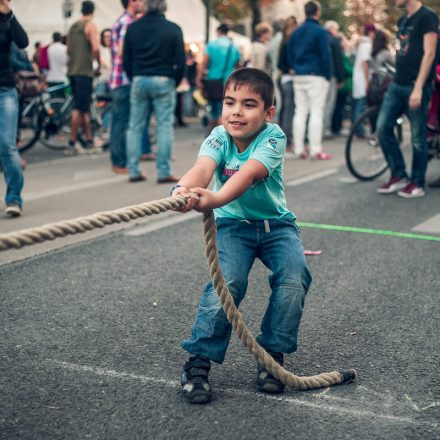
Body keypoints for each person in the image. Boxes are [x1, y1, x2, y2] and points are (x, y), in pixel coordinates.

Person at [172, 68, 312, 404]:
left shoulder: (273, 137)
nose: (236, 111)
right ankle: (198, 362)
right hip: (233, 227)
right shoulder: (219, 137)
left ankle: (271, 357)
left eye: (248, 105)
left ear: (267, 113)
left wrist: (215, 198)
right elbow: (203, 168)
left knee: (295, 276)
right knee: (228, 283)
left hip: (276, 226)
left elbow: (248, 174)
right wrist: (182, 189)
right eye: (230, 102)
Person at [376, 0, 438, 198]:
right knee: (382, 127)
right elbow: (403, 49)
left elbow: (429, 53)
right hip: (397, 84)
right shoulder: (403, 20)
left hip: (416, 85)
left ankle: (417, 183)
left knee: (418, 137)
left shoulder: (427, 16)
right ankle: (399, 175)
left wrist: (419, 87)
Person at [123, 0, 186, 183]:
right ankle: (163, 171)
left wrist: (134, 75)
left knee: (135, 126)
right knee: (164, 126)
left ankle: (134, 170)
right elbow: (181, 61)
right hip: (164, 79)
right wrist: (174, 80)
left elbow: (126, 59)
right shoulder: (173, 29)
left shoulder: (133, 28)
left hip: (139, 79)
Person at [288, 0, 332, 160]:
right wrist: (327, 75)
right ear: (317, 12)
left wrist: (294, 66)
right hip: (316, 74)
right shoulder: (320, 32)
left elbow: (289, 52)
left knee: (300, 111)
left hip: (299, 74)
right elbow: (325, 55)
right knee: (316, 112)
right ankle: (315, 148)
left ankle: (299, 147)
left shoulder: (296, 31)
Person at [109, 0, 145, 175]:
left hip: (120, 80)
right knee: (122, 123)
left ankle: (120, 161)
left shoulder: (122, 20)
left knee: (120, 122)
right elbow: (124, 51)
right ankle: (119, 162)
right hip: (124, 80)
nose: (142, 2)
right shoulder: (127, 22)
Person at [0, 0, 29, 217]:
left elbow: (23, 41)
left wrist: (8, 13)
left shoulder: (6, 20)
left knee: (7, 145)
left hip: (5, 89)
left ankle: (13, 199)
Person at [66, 0, 101, 155]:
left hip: (72, 71)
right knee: (79, 108)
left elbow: (68, 49)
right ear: (92, 12)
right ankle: (72, 142)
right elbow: (95, 47)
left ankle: (88, 140)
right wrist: (98, 63)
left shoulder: (73, 26)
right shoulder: (90, 25)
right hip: (84, 72)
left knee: (84, 107)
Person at [196, 23, 240, 129]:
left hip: (213, 81)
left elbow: (204, 63)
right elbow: (238, 66)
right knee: (224, 107)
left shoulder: (211, 45)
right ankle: (223, 133)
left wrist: (198, 78)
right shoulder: (233, 47)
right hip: (229, 82)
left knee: (213, 109)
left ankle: (214, 134)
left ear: (218, 32)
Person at [277, 16, 297, 156]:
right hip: (289, 79)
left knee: (285, 110)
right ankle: (287, 141)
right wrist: (290, 68)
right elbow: (283, 63)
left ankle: (283, 140)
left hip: (283, 78)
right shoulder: (290, 42)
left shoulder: (283, 41)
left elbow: (279, 63)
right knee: (289, 111)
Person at [351, 23, 376, 138]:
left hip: (358, 78)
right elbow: (365, 63)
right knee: (361, 106)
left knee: (357, 105)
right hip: (362, 78)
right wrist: (367, 81)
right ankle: (359, 131)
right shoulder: (367, 45)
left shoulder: (362, 44)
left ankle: (356, 129)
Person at [323, 20, 344, 139]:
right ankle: (325, 130)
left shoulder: (321, 37)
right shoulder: (333, 40)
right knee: (329, 104)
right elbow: (338, 60)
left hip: (320, 75)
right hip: (331, 76)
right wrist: (340, 78)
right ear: (332, 28)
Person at [46, 32, 68, 98]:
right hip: (62, 78)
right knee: (62, 100)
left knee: (53, 100)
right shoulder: (65, 48)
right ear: (61, 38)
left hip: (50, 77)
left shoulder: (49, 49)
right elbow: (67, 62)